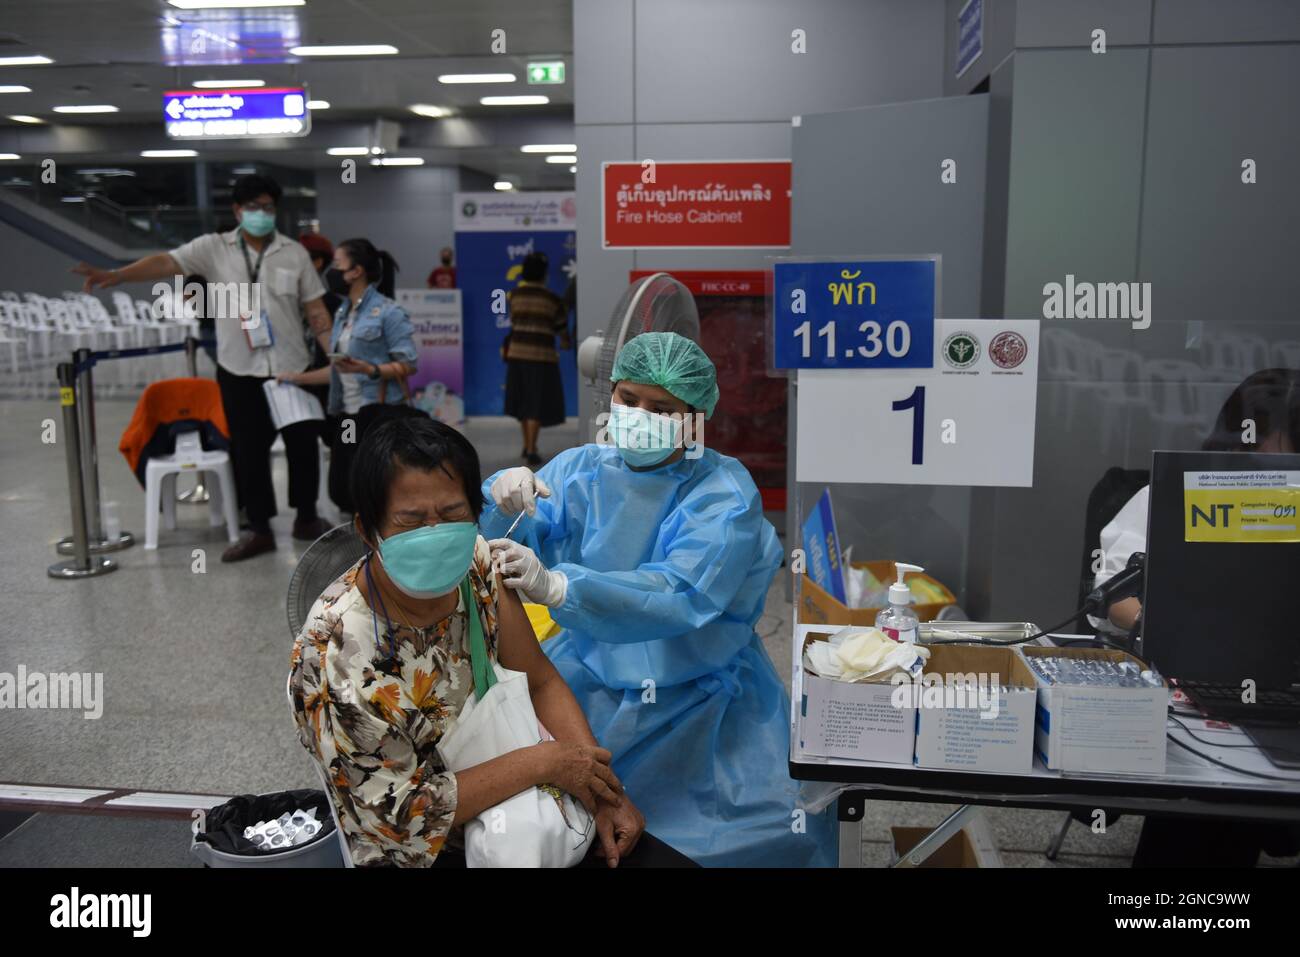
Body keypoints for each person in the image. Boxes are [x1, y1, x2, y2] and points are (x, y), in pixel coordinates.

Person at [480, 332, 838, 867]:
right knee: (548, 823)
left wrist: (561, 587)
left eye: (661, 407)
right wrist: (501, 497)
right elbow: (509, 542)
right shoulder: (580, 468)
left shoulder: (723, 494)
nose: (637, 414)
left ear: (697, 416)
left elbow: (679, 594)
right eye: (627, 399)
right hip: (586, 678)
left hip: (699, 698)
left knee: (758, 833)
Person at [288, 416, 686, 868]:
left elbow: (539, 681)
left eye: (453, 514)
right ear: (367, 529)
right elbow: (398, 818)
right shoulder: (333, 658)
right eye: (412, 521)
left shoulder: (477, 564)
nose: (436, 534)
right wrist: (546, 762)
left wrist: (603, 794)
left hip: (515, 803)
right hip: (417, 846)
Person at [1089, 367, 1300, 867]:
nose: (1279, 462)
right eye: (1271, 446)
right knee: (1213, 803)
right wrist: (1168, 631)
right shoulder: (1182, 492)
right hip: (1204, 684)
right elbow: (1112, 594)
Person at [73, 173, 335, 561]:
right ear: (236, 210)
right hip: (238, 368)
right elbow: (167, 261)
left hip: (291, 368)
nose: (261, 214)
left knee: (302, 445)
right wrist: (120, 275)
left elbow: (315, 309)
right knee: (249, 449)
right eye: (252, 207)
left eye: (267, 207)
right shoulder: (213, 249)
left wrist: (336, 356)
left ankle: (307, 517)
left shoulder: (294, 254)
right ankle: (260, 527)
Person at [277, 238, 417, 513]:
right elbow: (339, 370)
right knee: (344, 488)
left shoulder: (389, 312)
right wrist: (297, 378)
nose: (332, 272)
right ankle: (358, 547)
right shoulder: (342, 313)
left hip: (377, 413)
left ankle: (379, 550)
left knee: (376, 489)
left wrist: (369, 369)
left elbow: (408, 364)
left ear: (356, 272)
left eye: (338, 265)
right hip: (346, 414)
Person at [503, 251, 568, 465]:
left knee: (522, 402)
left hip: (517, 355)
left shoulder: (515, 296)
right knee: (535, 403)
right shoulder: (552, 299)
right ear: (544, 274)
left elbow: (513, 323)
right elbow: (561, 329)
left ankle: (527, 445)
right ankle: (531, 449)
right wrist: (566, 342)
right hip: (541, 357)